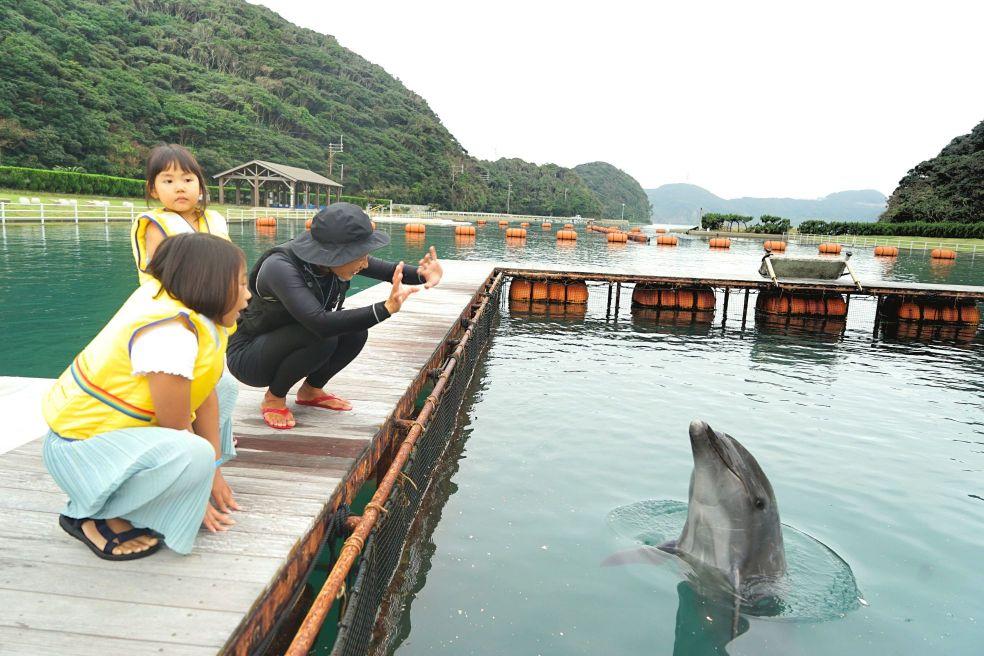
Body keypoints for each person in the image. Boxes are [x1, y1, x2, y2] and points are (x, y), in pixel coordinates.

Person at [42, 233, 250, 559]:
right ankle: (94, 514)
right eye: (241, 284)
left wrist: (214, 470)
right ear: (208, 284)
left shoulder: (187, 310)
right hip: (80, 454)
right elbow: (176, 426)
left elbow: (206, 389)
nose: (248, 295)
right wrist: (195, 487)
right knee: (192, 451)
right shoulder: (169, 335)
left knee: (225, 387)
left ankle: (146, 496)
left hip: (114, 441)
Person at [227, 203, 443, 429]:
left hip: (295, 338)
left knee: (355, 332)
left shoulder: (336, 261)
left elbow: (392, 272)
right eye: (360, 256)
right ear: (335, 255)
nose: (365, 263)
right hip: (249, 356)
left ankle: (311, 391)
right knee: (325, 335)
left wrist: (424, 275)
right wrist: (384, 308)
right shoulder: (279, 266)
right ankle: (274, 398)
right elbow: (319, 323)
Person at [131, 143, 240, 480]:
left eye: (188, 179)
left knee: (216, 382)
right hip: (177, 321)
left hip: (213, 317)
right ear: (153, 189)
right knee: (192, 386)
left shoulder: (213, 219)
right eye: (168, 180)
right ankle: (189, 458)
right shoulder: (156, 225)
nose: (179, 187)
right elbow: (164, 275)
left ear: (200, 185)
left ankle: (215, 454)